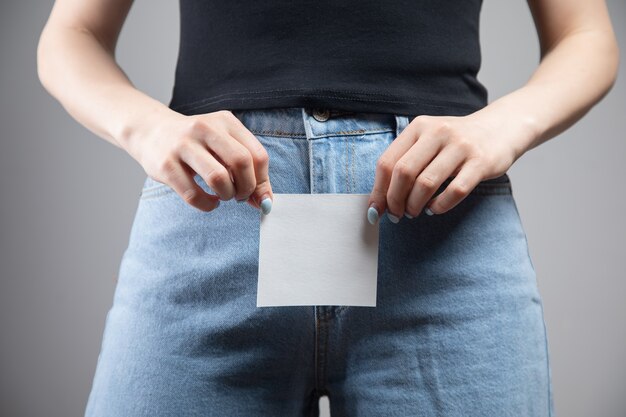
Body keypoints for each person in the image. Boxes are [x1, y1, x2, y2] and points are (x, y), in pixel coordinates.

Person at [37, 0, 619, 416]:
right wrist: (147, 129)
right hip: (216, 214)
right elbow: (73, 31)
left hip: (438, 230)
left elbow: (585, 34)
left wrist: (502, 130)